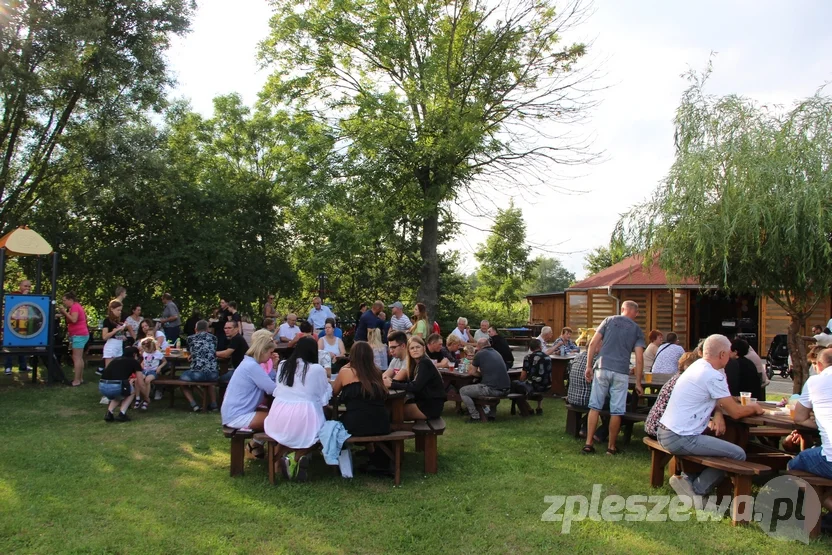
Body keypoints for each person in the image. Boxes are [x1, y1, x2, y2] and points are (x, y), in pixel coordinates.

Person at [659, 335, 764, 507]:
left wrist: (718, 414)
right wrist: (755, 408)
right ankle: (697, 490)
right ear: (722, 354)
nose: (730, 358)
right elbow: (736, 413)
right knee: (738, 453)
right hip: (681, 436)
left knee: (722, 441)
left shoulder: (697, 366)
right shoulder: (712, 375)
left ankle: (687, 479)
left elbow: (718, 399)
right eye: (729, 354)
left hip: (667, 430)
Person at [582, 300, 646, 456]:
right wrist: (638, 382)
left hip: (602, 367)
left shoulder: (609, 320)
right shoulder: (637, 330)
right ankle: (611, 447)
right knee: (617, 410)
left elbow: (592, 344)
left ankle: (589, 444)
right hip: (621, 372)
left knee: (595, 407)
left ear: (622, 309)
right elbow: (639, 358)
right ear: (636, 313)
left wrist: (589, 366)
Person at [264, 336, 332, 482]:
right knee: (322, 435)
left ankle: (280, 462)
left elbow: (279, 389)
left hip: (278, 415)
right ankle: (295, 457)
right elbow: (323, 397)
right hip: (304, 416)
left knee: (286, 434)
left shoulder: (283, 365)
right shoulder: (316, 369)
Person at [222, 329, 279, 439]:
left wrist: (274, 367)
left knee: (279, 419)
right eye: (270, 352)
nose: (271, 355)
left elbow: (269, 383)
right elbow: (272, 389)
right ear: (262, 351)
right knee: (281, 421)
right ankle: (271, 453)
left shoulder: (249, 363)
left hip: (234, 414)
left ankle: (258, 448)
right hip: (238, 416)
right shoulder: (252, 366)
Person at [789, 349, 832, 491]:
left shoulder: (815, 382)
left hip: (829, 460)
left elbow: (799, 418)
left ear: (818, 365)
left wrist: (820, 423)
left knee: (792, 466)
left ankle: (823, 501)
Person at [332, 341, 390, 436]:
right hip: (381, 423)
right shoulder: (377, 372)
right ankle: (372, 450)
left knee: (334, 425)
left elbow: (334, 392)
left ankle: (346, 450)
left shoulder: (345, 372)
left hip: (356, 423)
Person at [384, 336, 446, 420]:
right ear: (408, 351)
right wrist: (393, 381)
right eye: (412, 348)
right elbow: (411, 383)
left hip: (429, 408)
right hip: (425, 403)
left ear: (424, 348)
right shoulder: (416, 364)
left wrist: (392, 384)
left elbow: (415, 387)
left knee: (390, 412)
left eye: (418, 347)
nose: (415, 350)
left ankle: (395, 430)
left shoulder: (424, 363)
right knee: (390, 408)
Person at [644, 351, 700, 438]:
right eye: (690, 366)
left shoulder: (676, 377)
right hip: (662, 431)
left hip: (651, 425)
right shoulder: (685, 381)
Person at [460, 337, 511, 422]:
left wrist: (480, 374)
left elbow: (471, 372)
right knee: (492, 383)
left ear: (479, 346)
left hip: (493, 389)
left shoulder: (480, 354)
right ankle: (491, 415)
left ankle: (474, 416)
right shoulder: (496, 353)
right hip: (506, 388)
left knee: (463, 391)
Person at [567, 347, 608, 440]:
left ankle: (585, 429)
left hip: (572, 398)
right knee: (616, 404)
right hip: (587, 401)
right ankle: (600, 433)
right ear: (597, 348)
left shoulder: (577, 357)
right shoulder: (598, 361)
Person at [180, 319, 220, 411]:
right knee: (209, 381)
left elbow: (191, 350)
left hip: (197, 373)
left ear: (195, 329)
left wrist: (191, 355)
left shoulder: (190, 338)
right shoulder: (214, 338)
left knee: (181, 379)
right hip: (213, 374)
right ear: (208, 329)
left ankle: (194, 405)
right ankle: (213, 405)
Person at [99, 346, 141, 422]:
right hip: (116, 386)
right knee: (131, 392)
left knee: (119, 395)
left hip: (102, 386)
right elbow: (141, 382)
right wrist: (147, 398)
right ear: (135, 354)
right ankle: (122, 413)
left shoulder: (115, 360)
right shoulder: (134, 361)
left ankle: (109, 413)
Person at [57, 292, 88, 386]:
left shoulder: (74, 307)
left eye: (64, 300)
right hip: (81, 334)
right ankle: (80, 378)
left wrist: (64, 312)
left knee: (76, 358)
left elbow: (74, 320)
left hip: (79, 335)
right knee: (79, 357)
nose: (64, 302)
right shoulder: (77, 306)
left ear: (70, 300)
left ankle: (76, 381)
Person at [4, 279, 32, 375]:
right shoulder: (14, 294)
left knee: (23, 346)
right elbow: (15, 305)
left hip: (24, 323)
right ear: (20, 286)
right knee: (12, 346)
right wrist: (24, 296)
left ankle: (23, 366)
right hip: (14, 323)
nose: (27, 288)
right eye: (25, 286)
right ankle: (8, 367)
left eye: (29, 286)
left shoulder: (32, 298)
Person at [134, 337, 166, 411]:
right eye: (145, 350)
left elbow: (164, 361)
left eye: (148, 350)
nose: (146, 351)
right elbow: (144, 360)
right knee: (137, 380)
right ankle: (138, 398)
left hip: (153, 371)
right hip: (145, 370)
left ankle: (146, 399)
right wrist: (142, 365)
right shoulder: (145, 352)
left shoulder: (158, 353)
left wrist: (159, 367)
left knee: (147, 380)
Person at [216, 320, 249, 386]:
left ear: (236, 329)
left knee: (218, 380)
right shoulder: (234, 338)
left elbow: (226, 354)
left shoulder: (236, 338)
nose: (226, 330)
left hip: (242, 372)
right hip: (240, 369)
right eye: (225, 328)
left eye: (229, 328)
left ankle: (223, 395)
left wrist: (210, 353)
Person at [101, 300, 131, 369]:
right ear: (112, 309)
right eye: (118, 310)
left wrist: (121, 335)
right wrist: (116, 331)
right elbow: (105, 336)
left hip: (119, 345)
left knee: (118, 367)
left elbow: (117, 335)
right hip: (111, 346)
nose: (120, 312)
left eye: (120, 310)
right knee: (109, 368)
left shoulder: (118, 321)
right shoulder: (107, 321)